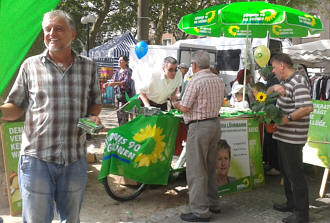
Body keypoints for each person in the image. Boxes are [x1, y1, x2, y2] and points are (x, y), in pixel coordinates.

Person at [0, 10, 102, 223]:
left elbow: (95, 102)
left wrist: (92, 117)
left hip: (74, 158)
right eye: (48, 29)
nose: (52, 33)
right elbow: (16, 107)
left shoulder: (89, 67)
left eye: (59, 28)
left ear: (73, 34)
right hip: (36, 158)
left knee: (71, 219)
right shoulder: (30, 66)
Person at [173, 50, 225, 222]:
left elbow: (185, 107)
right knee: (210, 167)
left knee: (196, 170)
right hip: (215, 125)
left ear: (194, 65)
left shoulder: (195, 81)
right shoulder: (218, 80)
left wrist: (175, 103)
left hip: (199, 126)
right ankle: (213, 203)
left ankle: (200, 211)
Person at [267, 54, 313, 223]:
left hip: (293, 137)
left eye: (273, 67)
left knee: (295, 176)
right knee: (287, 174)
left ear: (282, 66)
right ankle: (291, 203)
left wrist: (286, 119)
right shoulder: (287, 82)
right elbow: (266, 93)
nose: (272, 71)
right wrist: (274, 88)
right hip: (284, 136)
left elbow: (307, 107)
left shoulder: (298, 82)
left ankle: (302, 215)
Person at [105, 55, 132, 126]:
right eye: (119, 60)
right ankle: (120, 128)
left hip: (124, 95)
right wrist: (107, 84)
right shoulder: (117, 71)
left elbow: (125, 82)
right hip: (117, 94)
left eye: (121, 60)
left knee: (124, 113)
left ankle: (124, 130)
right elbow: (113, 80)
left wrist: (115, 83)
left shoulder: (128, 71)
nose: (119, 61)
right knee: (118, 113)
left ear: (126, 62)